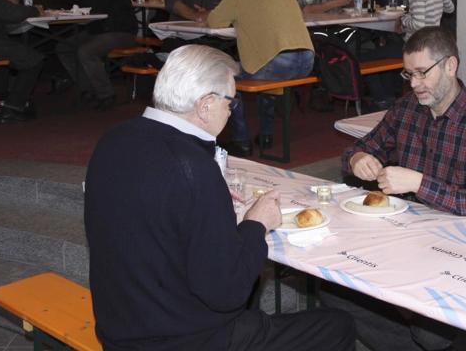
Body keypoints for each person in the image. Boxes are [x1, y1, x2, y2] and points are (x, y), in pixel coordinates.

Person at [84, 45, 355, 351]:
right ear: (206, 105)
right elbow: (226, 293)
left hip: (119, 324)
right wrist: (256, 223)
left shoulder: (114, 140)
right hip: (181, 339)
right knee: (336, 326)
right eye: (231, 102)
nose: (233, 110)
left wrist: (212, 205)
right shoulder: (193, 167)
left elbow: (155, 207)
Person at [327, 27, 466, 351]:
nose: (413, 84)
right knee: (332, 287)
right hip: (407, 237)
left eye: (422, 73)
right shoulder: (408, 107)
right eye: (408, 74)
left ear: (450, 66)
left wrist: (419, 184)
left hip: (460, 247)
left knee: (432, 334)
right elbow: (359, 148)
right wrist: (358, 159)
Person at [208, 0, 314, 153]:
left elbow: (214, 20)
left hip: (276, 62)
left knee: (226, 82)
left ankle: (241, 140)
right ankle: (265, 136)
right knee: (264, 73)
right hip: (306, 59)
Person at [57, 0, 137, 109]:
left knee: (86, 51)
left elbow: (93, 4)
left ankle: (106, 94)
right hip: (101, 28)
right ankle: (88, 88)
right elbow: (72, 1)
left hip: (120, 30)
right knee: (64, 47)